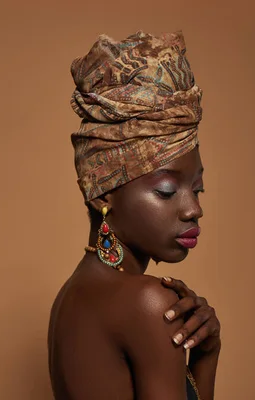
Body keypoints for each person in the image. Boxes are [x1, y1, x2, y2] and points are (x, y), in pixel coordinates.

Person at [48, 31, 221, 400]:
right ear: (103, 194)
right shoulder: (147, 302)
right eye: (166, 190)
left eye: (197, 188)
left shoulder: (73, 297)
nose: (194, 209)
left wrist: (206, 356)